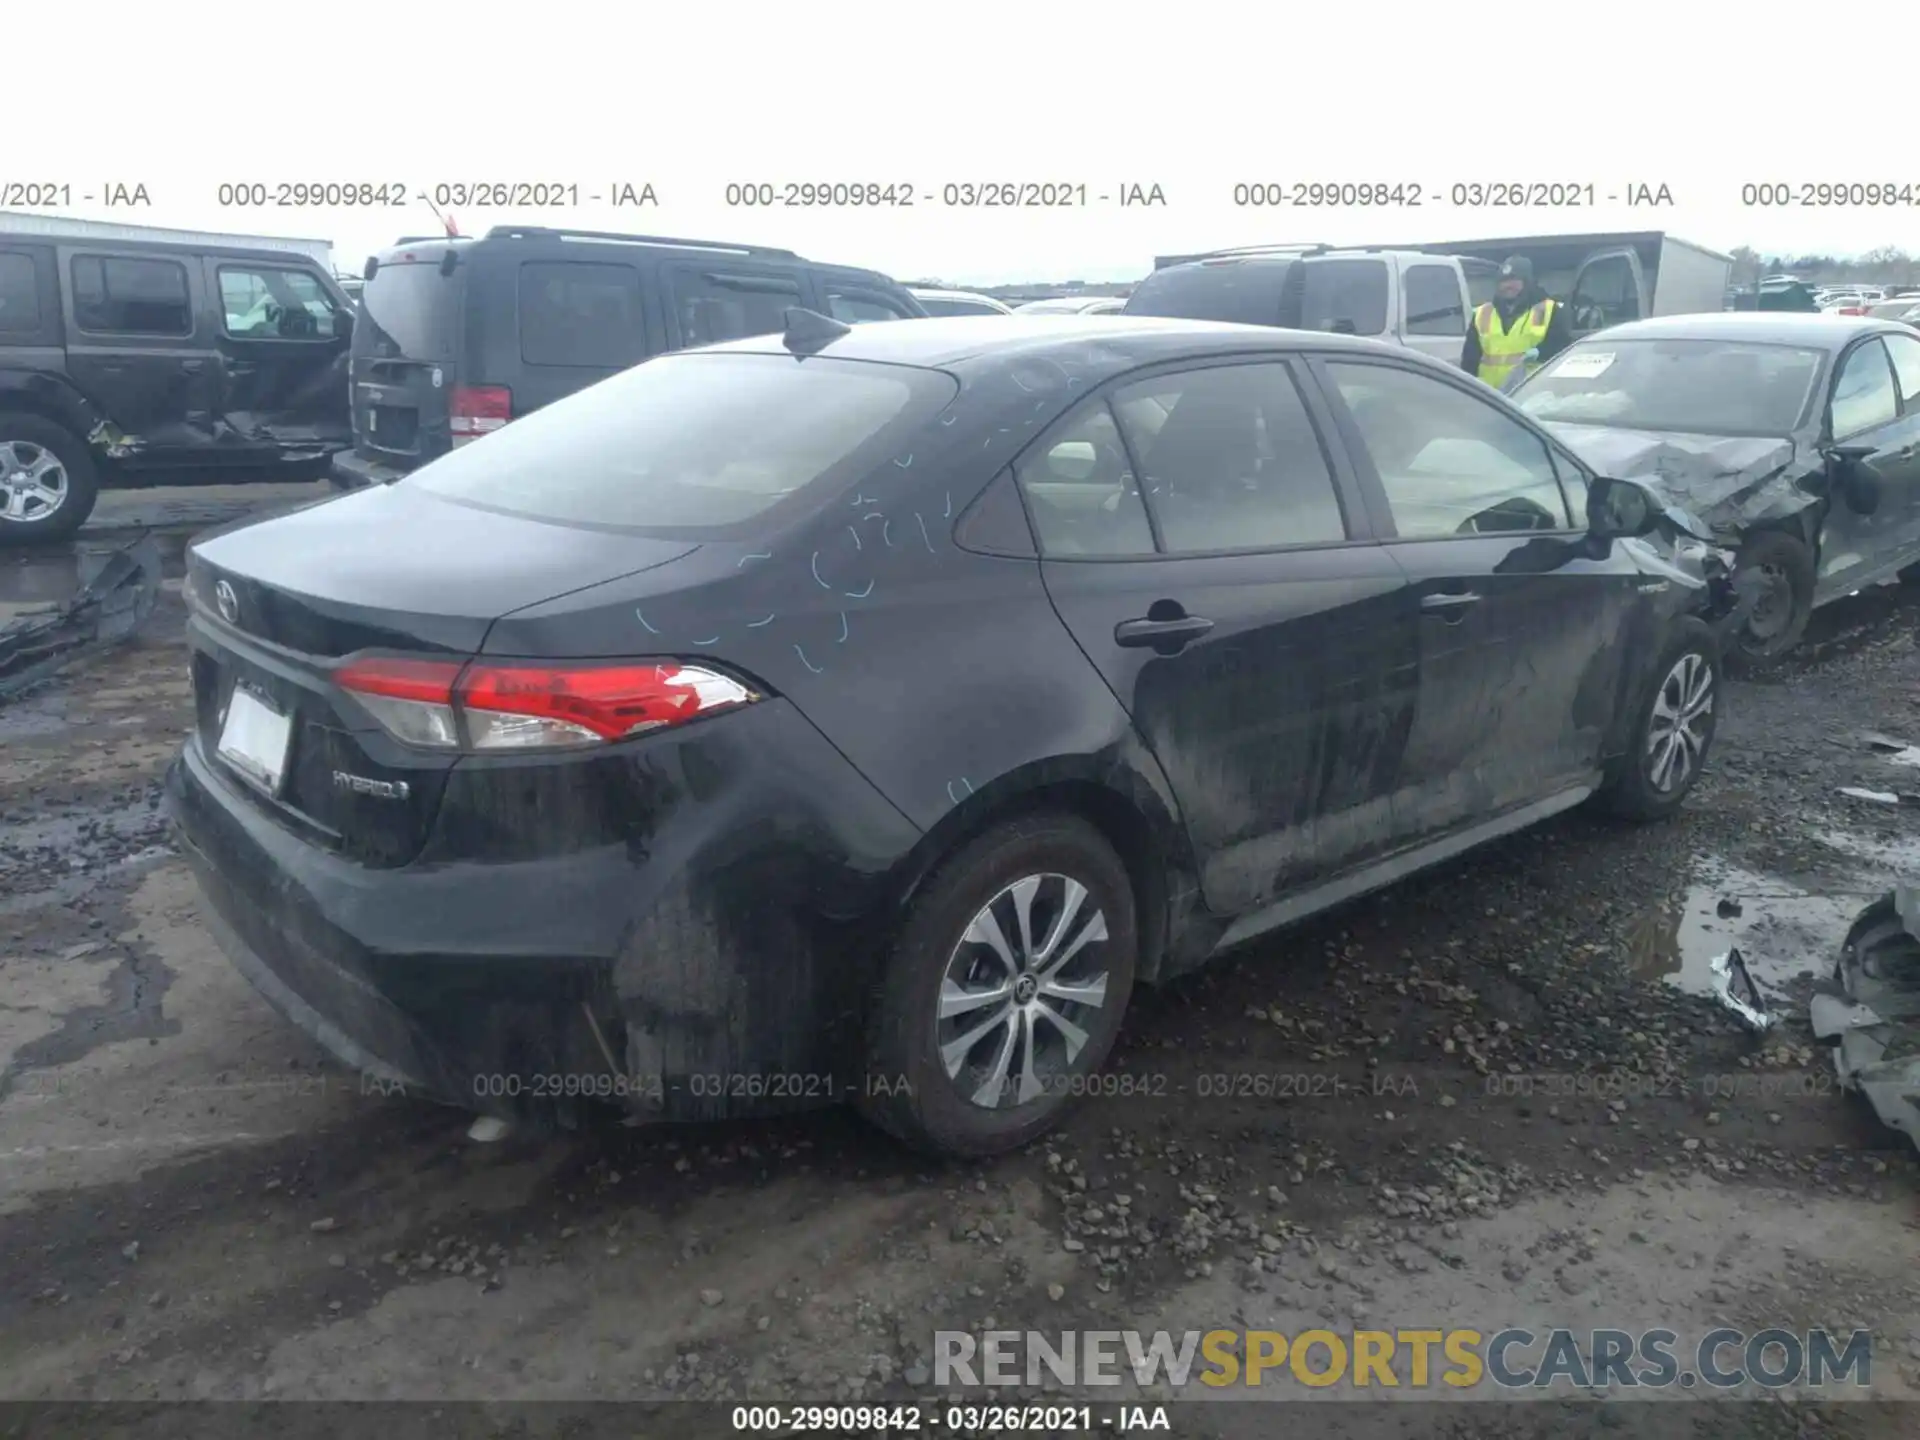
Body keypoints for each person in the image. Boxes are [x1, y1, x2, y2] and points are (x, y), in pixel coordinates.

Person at [1461, 255, 1573, 389]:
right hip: (1490, 397)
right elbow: (1469, 360)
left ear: (1527, 281)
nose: (1508, 285)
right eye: (1503, 281)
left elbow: (1563, 348)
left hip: (1531, 395)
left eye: (1514, 280)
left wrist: (1541, 352)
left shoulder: (1549, 310)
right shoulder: (1483, 313)